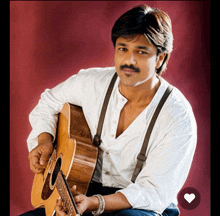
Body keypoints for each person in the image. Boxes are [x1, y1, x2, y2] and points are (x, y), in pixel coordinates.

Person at [21, 4, 197, 216]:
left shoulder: (177, 116)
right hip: (83, 190)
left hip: (141, 206)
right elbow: (48, 103)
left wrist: (94, 203)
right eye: (123, 49)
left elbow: (154, 192)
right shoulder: (92, 83)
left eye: (141, 52)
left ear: (160, 58)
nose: (128, 61)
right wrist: (44, 140)